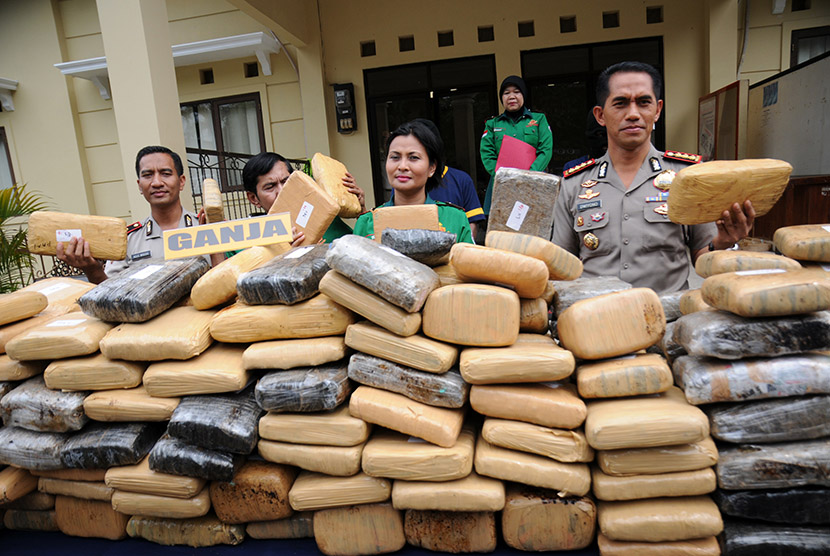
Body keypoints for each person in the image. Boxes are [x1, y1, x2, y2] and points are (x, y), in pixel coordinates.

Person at [552, 61, 755, 293]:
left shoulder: (688, 178)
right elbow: (562, 266)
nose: (633, 114)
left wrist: (725, 242)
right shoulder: (574, 184)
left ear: (657, 110)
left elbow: (703, 259)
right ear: (600, 115)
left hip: (668, 323)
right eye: (620, 103)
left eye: (643, 102)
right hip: (596, 321)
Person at [57, 145, 217, 284]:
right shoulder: (126, 240)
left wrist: (215, 239)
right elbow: (112, 294)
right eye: (148, 175)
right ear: (140, 186)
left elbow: (225, 280)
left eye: (165, 174)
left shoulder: (206, 227)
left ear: (181, 181)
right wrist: (92, 270)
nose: (157, 183)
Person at [353, 120, 473, 244]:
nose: (402, 166)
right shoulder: (367, 222)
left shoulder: (454, 219)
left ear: (432, 168)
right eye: (395, 157)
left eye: (413, 157)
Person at [241, 151, 364, 244]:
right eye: (270, 187)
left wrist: (362, 211)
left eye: (286, 181)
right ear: (253, 198)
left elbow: (364, 245)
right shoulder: (256, 241)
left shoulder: (324, 210)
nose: (282, 190)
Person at [479, 75, 553, 215]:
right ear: (501, 98)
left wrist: (530, 174)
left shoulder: (538, 119)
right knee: (504, 229)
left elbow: (546, 150)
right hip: (502, 184)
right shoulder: (492, 124)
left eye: (517, 92)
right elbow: (487, 154)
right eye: (506, 93)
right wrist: (503, 175)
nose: (511, 96)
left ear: (523, 95)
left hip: (533, 183)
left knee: (534, 224)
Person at [414, 118, 485, 237]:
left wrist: (461, 248)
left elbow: (471, 222)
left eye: (414, 156)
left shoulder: (462, 180)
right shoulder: (404, 183)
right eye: (396, 157)